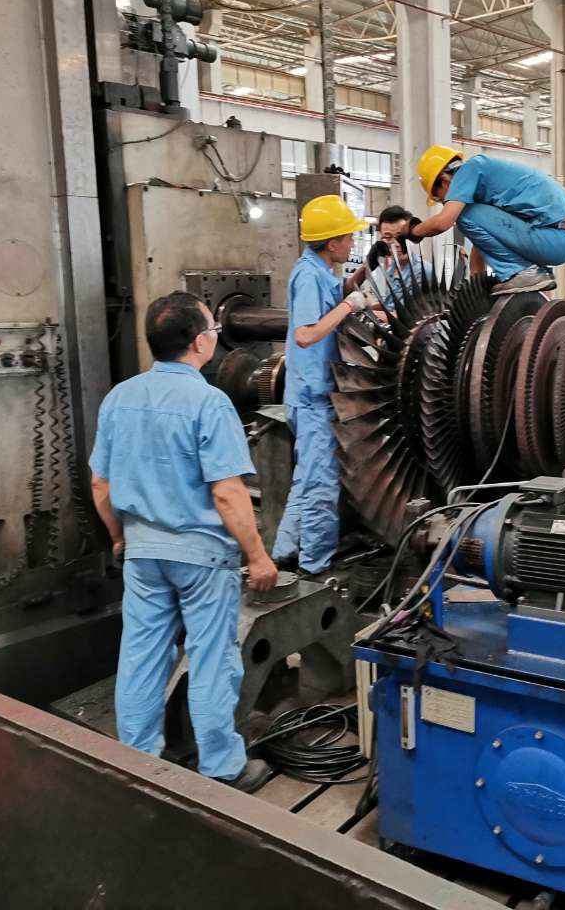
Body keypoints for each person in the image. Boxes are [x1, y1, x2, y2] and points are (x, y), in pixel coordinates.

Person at [89, 291, 280, 792]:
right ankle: (222, 766)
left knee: (142, 656)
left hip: (142, 553)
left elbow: (101, 485)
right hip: (202, 558)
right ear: (199, 342)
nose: (215, 336)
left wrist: (119, 538)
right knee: (212, 658)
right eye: (213, 329)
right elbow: (227, 493)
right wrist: (258, 556)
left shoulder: (119, 398)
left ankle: (137, 762)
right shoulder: (210, 403)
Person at [270, 195, 370, 577]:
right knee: (321, 487)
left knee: (306, 480)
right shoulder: (309, 275)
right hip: (312, 400)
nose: (351, 242)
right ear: (332, 242)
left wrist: (361, 284)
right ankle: (314, 567)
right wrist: (349, 307)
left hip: (315, 393)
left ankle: (284, 552)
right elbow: (306, 335)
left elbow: (337, 299)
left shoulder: (321, 269)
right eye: (348, 237)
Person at [405, 145, 565, 295]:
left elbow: (443, 223)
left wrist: (412, 230)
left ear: (445, 181)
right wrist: (477, 288)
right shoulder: (488, 180)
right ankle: (529, 274)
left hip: (551, 238)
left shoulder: (469, 170)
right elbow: (482, 244)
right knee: (469, 216)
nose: (446, 202)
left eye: (440, 199)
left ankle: (520, 272)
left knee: (464, 214)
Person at [366, 205, 425, 307]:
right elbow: (392, 306)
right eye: (388, 237)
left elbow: (410, 314)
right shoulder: (391, 269)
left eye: (401, 236)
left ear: (411, 236)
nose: (396, 243)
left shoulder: (422, 271)